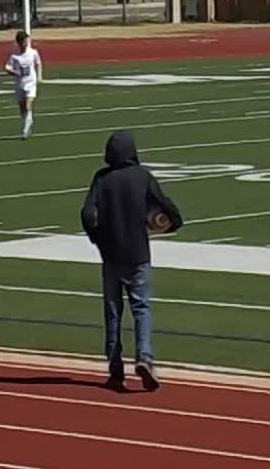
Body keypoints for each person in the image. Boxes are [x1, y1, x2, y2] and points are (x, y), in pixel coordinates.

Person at [81, 129, 183, 391]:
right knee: (142, 308)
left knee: (113, 312)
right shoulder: (142, 177)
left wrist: (99, 239)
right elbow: (166, 205)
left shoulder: (102, 179)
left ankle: (115, 370)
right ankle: (145, 356)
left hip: (111, 255)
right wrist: (172, 223)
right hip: (138, 254)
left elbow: (87, 215)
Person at [3, 30, 43, 140]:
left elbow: (38, 63)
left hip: (31, 82)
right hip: (20, 84)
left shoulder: (33, 52)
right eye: (24, 42)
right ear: (19, 43)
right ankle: (28, 122)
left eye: (27, 41)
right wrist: (12, 72)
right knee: (22, 108)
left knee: (28, 105)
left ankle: (25, 130)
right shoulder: (14, 56)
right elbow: (7, 67)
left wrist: (39, 76)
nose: (26, 44)